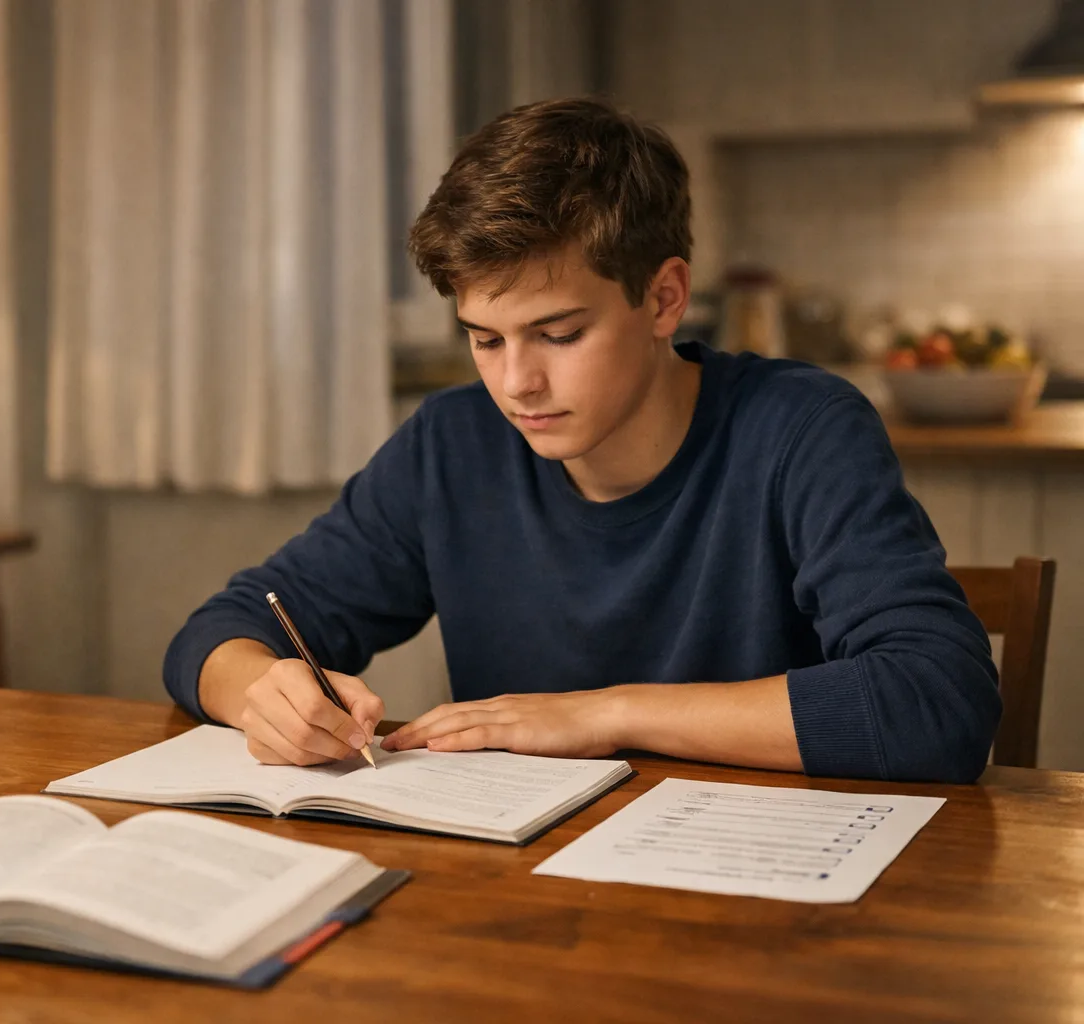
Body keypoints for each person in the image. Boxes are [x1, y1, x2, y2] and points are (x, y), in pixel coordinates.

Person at [162, 97, 999, 784]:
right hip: (534, 894)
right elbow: (222, 630)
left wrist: (605, 714)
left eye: (558, 335)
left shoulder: (802, 429)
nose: (516, 383)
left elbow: (937, 702)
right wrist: (262, 691)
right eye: (485, 339)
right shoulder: (453, 445)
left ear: (664, 299)